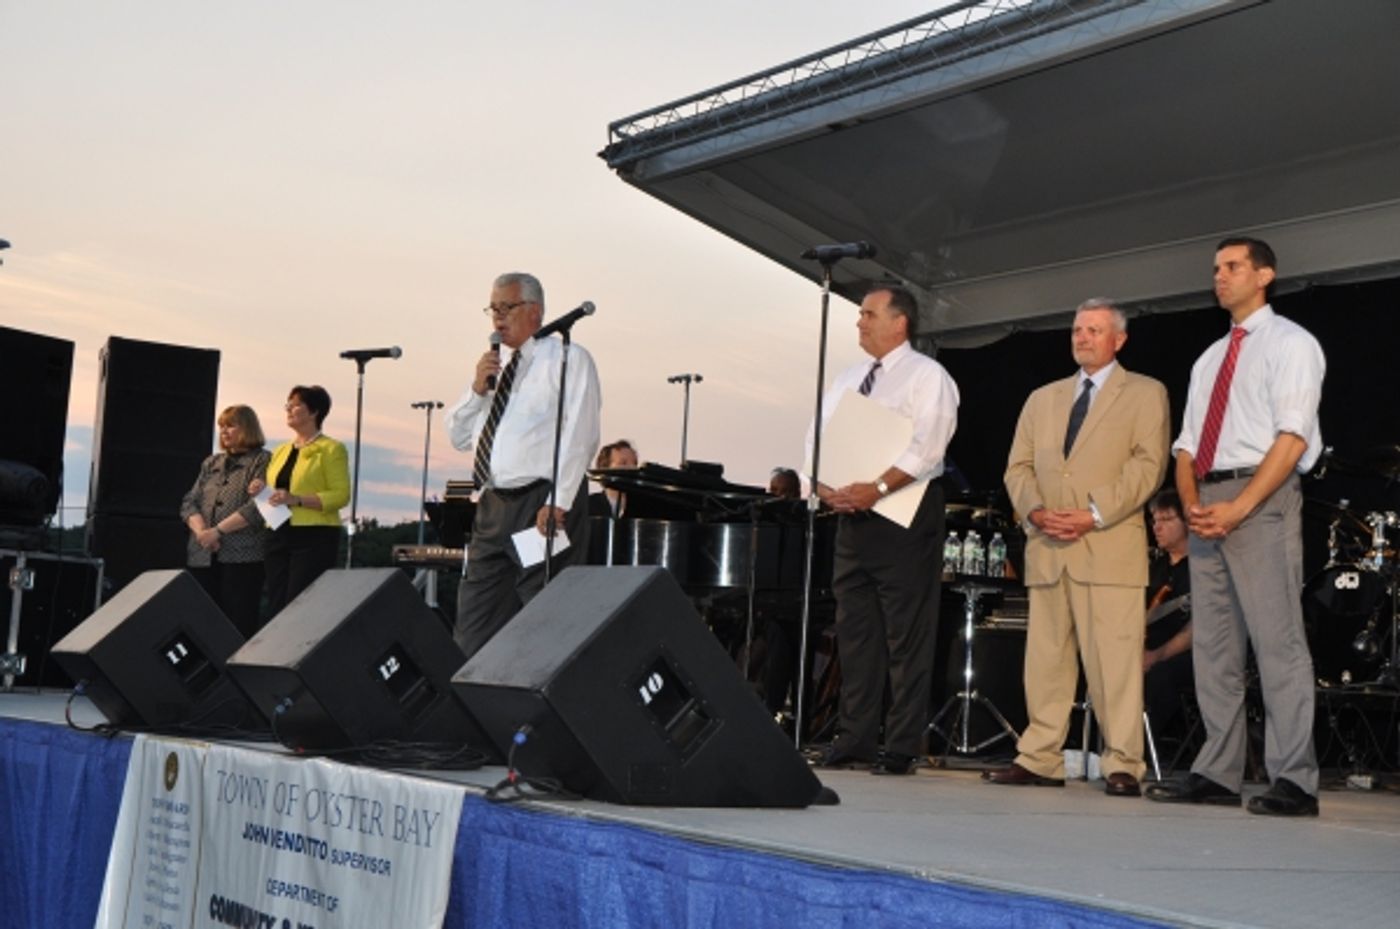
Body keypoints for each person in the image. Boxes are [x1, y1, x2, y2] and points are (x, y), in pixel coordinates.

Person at [1146, 237, 1325, 816]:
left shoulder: (1292, 343)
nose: (1219, 277)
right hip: (1207, 503)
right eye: (1216, 269)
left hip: (1262, 496)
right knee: (1214, 646)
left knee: (1278, 642)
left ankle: (1294, 778)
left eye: (1232, 267)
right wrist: (1195, 505)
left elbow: (1293, 436)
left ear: (1264, 274)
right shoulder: (1208, 359)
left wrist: (1241, 506)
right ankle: (1218, 772)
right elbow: (1185, 445)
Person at [985, 298, 1169, 797]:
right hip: (1048, 547)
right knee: (1044, 664)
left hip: (1108, 547)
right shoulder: (1042, 398)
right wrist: (1036, 511)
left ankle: (1123, 763)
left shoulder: (1146, 393)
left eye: (1093, 330)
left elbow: (1148, 466)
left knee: (1114, 665)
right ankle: (1040, 757)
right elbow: (1017, 468)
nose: (1082, 337)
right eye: (1077, 330)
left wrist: (1092, 513)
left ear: (1119, 339)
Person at [808, 283, 958, 776]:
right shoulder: (849, 378)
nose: (860, 322)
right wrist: (822, 484)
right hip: (852, 518)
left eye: (869, 314)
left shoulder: (927, 376)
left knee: (906, 635)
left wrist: (875, 486)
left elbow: (927, 447)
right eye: (859, 315)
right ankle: (853, 740)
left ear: (900, 323)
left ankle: (900, 744)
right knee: (856, 634)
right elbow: (818, 435)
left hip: (905, 514)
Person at [446, 272, 602, 659]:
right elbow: (459, 437)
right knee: (474, 622)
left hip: (541, 504)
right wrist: (476, 391)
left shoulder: (566, 358)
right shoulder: (496, 370)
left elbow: (580, 435)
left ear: (535, 311)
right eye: (492, 309)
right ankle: (472, 710)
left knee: (542, 621)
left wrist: (560, 500)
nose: (497, 318)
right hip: (492, 506)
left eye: (506, 308)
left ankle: (539, 713)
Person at [256, 385, 350, 617]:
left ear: (314, 412)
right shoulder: (280, 450)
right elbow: (278, 492)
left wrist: (297, 500)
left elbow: (341, 495)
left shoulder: (331, 449)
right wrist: (261, 490)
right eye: (287, 404)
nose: (289, 409)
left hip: (314, 536)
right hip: (277, 531)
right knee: (276, 602)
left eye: (296, 404)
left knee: (299, 604)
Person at [179, 405, 271, 637]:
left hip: (242, 557)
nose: (224, 431)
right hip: (202, 555)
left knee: (236, 623)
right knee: (201, 622)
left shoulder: (262, 460)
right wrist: (202, 532)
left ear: (248, 428)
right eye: (221, 426)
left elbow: (258, 507)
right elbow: (189, 502)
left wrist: (217, 532)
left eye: (231, 425)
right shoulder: (211, 463)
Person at [1143, 489, 1193, 732]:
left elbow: (1197, 630)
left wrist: (1156, 656)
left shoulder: (1201, 569)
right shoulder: (1152, 568)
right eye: (1154, 521)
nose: (1157, 527)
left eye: (1166, 519)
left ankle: (1147, 747)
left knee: (1161, 676)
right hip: (1147, 649)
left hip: (1184, 654)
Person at [588, 439, 638, 518]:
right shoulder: (588, 505)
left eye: (634, 463)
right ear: (605, 468)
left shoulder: (644, 507)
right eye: (623, 463)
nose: (632, 468)